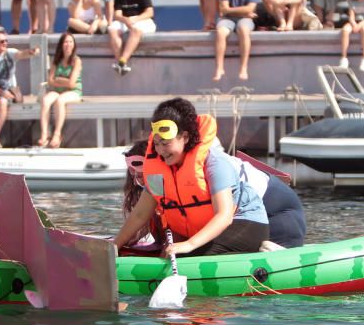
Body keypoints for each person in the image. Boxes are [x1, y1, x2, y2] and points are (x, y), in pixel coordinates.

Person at [112, 98, 270, 257]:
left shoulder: (214, 163)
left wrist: (189, 244)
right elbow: (140, 214)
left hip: (245, 222)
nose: (160, 151)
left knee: (181, 257)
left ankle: (267, 250)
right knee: (170, 254)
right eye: (157, 144)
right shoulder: (158, 169)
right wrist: (114, 246)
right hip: (207, 231)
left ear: (185, 137)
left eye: (166, 143)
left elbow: (224, 215)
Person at [0, 29, 39, 147]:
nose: (5, 43)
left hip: (10, 91)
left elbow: (22, 54)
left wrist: (32, 52)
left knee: (2, 102)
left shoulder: (10, 53)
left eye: (6, 41)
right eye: (2, 41)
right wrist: (1, 92)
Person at [213, 0, 260, 82]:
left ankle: (243, 68)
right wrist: (244, 11)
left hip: (243, 20)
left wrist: (229, 10)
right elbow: (223, 8)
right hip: (229, 19)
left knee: (244, 30)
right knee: (220, 32)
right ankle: (219, 68)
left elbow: (251, 7)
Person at [38, 32, 82, 148]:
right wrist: (63, 81)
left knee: (60, 101)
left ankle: (57, 134)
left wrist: (58, 79)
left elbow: (72, 84)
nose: (68, 44)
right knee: (46, 100)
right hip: (58, 90)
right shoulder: (56, 60)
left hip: (74, 92)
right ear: (61, 45)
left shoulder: (76, 61)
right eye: (66, 42)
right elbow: (50, 80)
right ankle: (44, 134)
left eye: (70, 42)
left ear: (74, 45)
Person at [108, 0, 155, 74]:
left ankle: (122, 61)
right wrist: (126, 20)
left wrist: (135, 19)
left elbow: (150, 12)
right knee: (112, 29)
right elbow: (117, 15)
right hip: (126, 20)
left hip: (143, 20)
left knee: (136, 30)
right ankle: (120, 63)